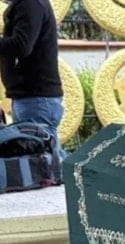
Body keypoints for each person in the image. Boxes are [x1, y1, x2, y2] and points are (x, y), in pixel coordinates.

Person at [0, 0, 63, 153]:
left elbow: (22, 45)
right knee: (39, 158)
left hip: (36, 99)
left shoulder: (29, 3)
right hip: (31, 98)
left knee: (41, 159)